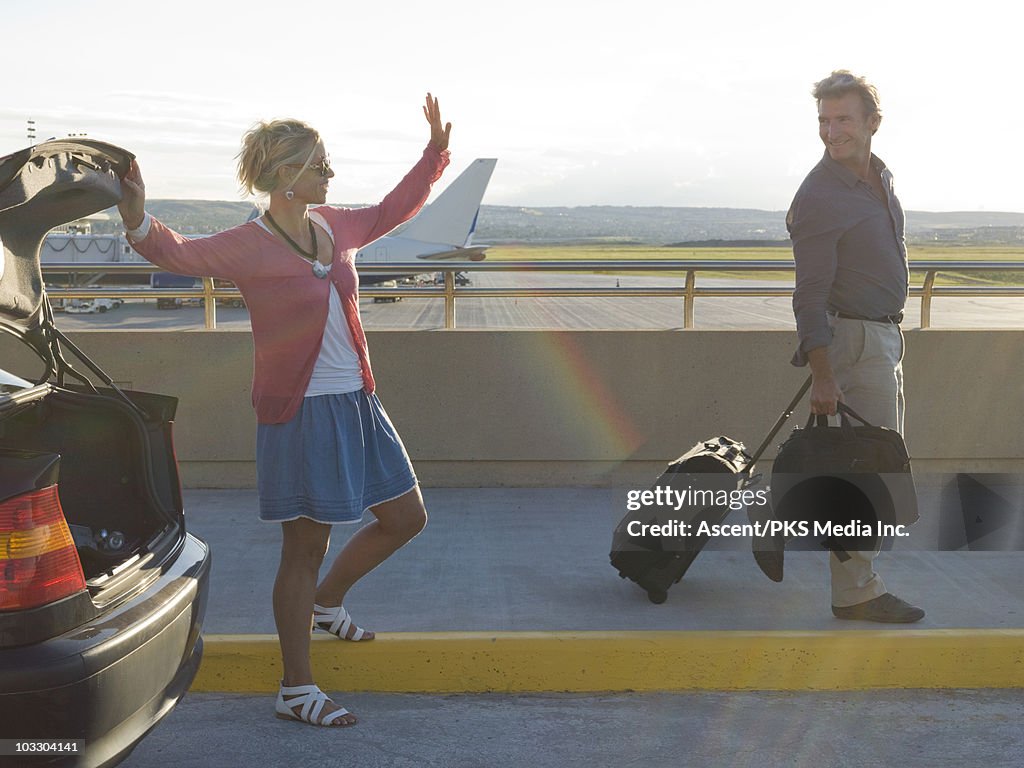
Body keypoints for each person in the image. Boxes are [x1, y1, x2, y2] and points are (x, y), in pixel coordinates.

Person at [117, 94, 453, 726]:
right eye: (318, 164)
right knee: (304, 548)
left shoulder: (335, 226)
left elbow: (392, 209)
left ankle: (328, 604)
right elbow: (179, 255)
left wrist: (434, 152)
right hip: (301, 413)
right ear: (282, 175)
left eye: (327, 162)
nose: (329, 173)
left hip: (358, 401)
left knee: (406, 516)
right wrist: (138, 219)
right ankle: (296, 688)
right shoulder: (248, 244)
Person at [786, 71, 924, 623]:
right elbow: (810, 294)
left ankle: (858, 583)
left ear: (872, 123)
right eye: (824, 120)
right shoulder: (820, 194)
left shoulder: (879, 177)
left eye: (842, 119)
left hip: (880, 336)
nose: (831, 131)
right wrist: (823, 373)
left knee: (877, 465)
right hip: (851, 341)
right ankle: (857, 593)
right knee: (861, 469)